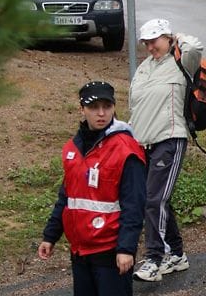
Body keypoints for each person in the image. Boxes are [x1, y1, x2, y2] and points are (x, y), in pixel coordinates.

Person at [38, 81, 146, 296]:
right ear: (82, 109)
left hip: (110, 252)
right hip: (80, 251)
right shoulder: (72, 148)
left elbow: (134, 203)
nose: (101, 113)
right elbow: (67, 197)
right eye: (93, 107)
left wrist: (126, 248)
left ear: (114, 108)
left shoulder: (126, 149)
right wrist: (50, 236)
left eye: (106, 106)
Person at [128, 18, 201, 282]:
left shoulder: (182, 62)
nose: (150, 47)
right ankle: (177, 255)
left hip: (170, 138)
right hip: (143, 142)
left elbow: (195, 47)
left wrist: (178, 37)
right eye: (146, 42)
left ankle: (154, 258)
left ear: (168, 38)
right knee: (158, 199)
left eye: (154, 40)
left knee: (153, 199)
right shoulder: (145, 68)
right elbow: (135, 105)